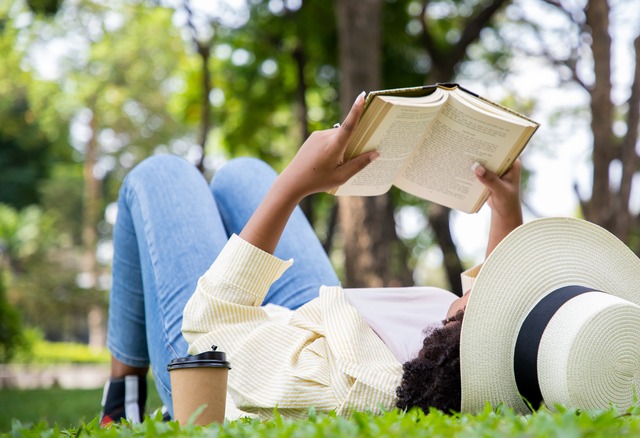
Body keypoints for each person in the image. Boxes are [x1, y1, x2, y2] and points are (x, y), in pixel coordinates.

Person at [99, 91, 524, 424]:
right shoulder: (478, 350)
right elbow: (490, 293)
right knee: (244, 173)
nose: (513, 291)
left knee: (162, 175)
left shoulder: (350, 389)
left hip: (223, 373)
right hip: (329, 327)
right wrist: (506, 209)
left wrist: (294, 187)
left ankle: (122, 398)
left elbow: (211, 325)